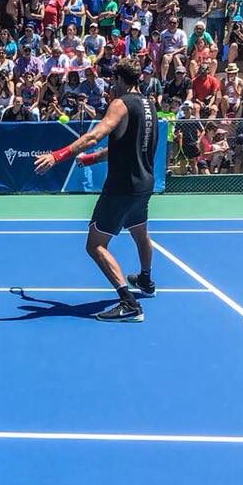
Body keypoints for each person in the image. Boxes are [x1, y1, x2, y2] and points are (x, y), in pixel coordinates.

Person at [35, 59, 158, 323]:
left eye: (113, 80)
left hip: (122, 187)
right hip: (144, 184)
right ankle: (146, 281)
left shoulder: (120, 103)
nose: (112, 85)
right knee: (140, 233)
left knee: (95, 245)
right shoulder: (149, 105)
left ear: (120, 79)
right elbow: (124, 146)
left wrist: (57, 156)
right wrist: (92, 159)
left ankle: (129, 304)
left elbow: (94, 136)